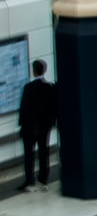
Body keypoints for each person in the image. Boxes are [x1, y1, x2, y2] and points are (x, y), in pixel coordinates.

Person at [17, 59, 57, 193]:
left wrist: (21, 123)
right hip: (44, 127)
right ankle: (43, 179)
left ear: (34, 71)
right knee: (43, 152)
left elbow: (24, 108)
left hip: (29, 127)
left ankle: (30, 181)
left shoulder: (29, 87)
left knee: (29, 154)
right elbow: (53, 107)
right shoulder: (49, 87)